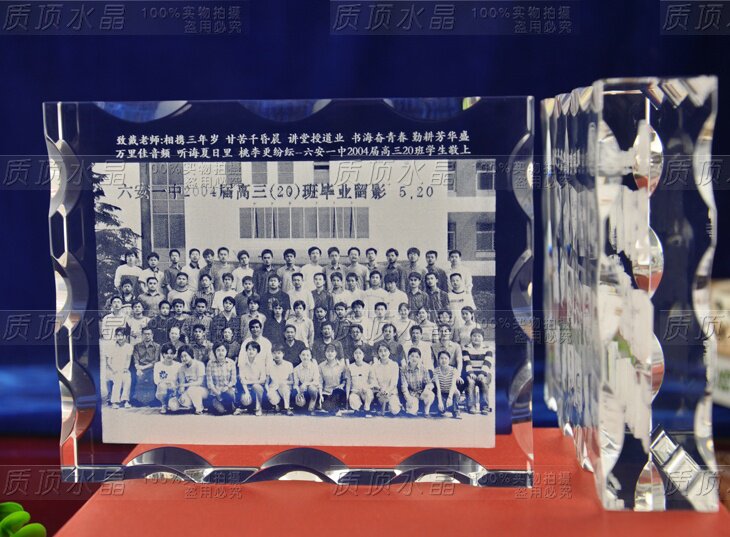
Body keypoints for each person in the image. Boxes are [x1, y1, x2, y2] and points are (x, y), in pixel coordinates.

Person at [461, 328, 494, 414]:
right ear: (471, 337)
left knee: (483, 382)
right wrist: (471, 373)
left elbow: (488, 362)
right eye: (474, 336)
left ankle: (485, 407)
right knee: (470, 382)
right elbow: (466, 362)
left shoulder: (488, 348)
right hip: (470, 373)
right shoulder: (466, 348)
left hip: (484, 373)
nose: (476, 338)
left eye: (479, 336)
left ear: (483, 338)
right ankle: (471, 406)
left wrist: (482, 374)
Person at [400, 348, 435, 417]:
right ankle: (412, 407)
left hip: (422, 392)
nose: (414, 358)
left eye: (417, 357)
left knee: (430, 395)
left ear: (419, 358)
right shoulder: (403, 369)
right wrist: (408, 398)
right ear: (408, 357)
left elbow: (429, 383)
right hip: (411, 393)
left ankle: (426, 411)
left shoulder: (423, 368)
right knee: (411, 413)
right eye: (412, 356)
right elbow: (404, 386)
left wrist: (426, 390)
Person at [174, 345, 208, 414]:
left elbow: (200, 382)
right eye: (181, 357)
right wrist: (181, 392)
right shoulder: (182, 368)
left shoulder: (199, 364)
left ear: (190, 354)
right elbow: (182, 384)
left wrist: (185, 385)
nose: (184, 358)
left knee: (192, 389)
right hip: (190, 391)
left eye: (185, 356)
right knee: (183, 401)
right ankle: (195, 405)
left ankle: (199, 409)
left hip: (203, 391)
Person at [206, 342, 238, 415]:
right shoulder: (210, 363)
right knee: (221, 411)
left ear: (226, 351)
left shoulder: (231, 363)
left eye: (223, 350)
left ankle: (232, 405)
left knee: (229, 393)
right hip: (215, 391)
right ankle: (218, 403)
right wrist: (216, 392)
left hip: (228, 389)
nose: (221, 353)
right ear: (215, 351)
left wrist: (227, 387)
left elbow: (233, 380)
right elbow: (209, 382)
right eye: (218, 350)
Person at [105, 327, 133, 408]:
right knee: (118, 379)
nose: (120, 338)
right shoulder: (111, 347)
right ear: (115, 336)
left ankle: (125, 400)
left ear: (126, 336)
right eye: (118, 335)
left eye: (122, 335)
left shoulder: (129, 347)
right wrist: (114, 370)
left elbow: (128, 360)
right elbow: (108, 362)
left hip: (123, 369)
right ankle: (115, 401)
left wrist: (126, 368)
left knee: (127, 378)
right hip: (112, 370)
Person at [370, 343, 401, 416]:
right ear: (378, 353)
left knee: (395, 410)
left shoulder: (394, 365)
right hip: (379, 393)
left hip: (391, 392)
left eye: (385, 350)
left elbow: (394, 382)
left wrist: (388, 391)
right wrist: (380, 390)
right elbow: (374, 381)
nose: (383, 353)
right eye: (380, 351)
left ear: (389, 352)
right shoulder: (374, 366)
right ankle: (381, 406)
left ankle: (391, 405)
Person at [236, 341, 266, 415]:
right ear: (246, 351)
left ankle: (258, 408)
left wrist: (249, 382)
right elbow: (242, 379)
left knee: (256, 386)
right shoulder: (242, 363)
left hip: (258, 387)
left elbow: (263, 380)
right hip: (246, 387)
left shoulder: (261, 363)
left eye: (253, 350)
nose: (251, 351)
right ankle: (243, 407)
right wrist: (247, 392)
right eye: (249, 349)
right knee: (245, 400)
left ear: (257, 352)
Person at [132, 326, 160, 406]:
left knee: (152, 379)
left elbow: (156, 361)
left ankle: (153, 400)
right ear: (142, 335)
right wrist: (138, 368)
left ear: (152, 335)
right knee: (139, 378)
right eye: (145, 334)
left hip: (152, 368)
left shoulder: (157, 346)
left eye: (149, 334)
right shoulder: (137, 346)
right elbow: (136, 359)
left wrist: (143, 368)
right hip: (139, 368)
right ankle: (139, 400)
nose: (147, 336)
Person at [319, 344, 347, 415]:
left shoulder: (341, 365)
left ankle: (334, 409)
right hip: (326, 392)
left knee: (336, 394)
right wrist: (320, 394)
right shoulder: (321, 366)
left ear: (336, 353)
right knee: (325, 404)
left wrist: (342, 385)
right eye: (328, 351)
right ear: (325, 353)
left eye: (332, 351)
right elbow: (320, 382)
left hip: (338, 391)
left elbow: (345, 379)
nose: (330, 353)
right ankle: (335, 409)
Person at [267, 345, 294, 415]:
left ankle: (288, 408)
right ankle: (277, 405)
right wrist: (268, 391)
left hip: (285, 386)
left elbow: (292, 381)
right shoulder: (269, 365)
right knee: (271, 395)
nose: (276, 355)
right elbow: (267, 382)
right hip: (273, 386)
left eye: (279, 353)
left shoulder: (288, 364)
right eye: (274, 353)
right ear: (272, 354)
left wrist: (284, 382)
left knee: (284, 387)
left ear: (283, 354)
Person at [346, 347, 374, 416]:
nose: (358, 355)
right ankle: (359, 408)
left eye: (360, 353)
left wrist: (366, 387)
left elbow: (372, 382)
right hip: (355, 392)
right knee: (353, 400)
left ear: (363, 355)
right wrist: (347, 397)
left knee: (369, 393)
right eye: (356, 353)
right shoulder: (350, 367)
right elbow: (348, 383)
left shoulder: (369, 367)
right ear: (353, 355)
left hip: (365, 392)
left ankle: (367, 409)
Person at [154, 343, 180, 413]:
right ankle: (164, 404)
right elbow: (156, 380)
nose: (169, 356)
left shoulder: (178, 365)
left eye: (171, 353)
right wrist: (168, 383)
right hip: (162, 389)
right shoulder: (158, 365)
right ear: (163, 354)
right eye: (166, 353)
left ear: (174, 354)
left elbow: (180, 380)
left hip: (174, 390)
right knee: (162, 385)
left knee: (174, 408)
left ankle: (172, 401)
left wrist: (174, 387)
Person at [293, 348, 321, 414]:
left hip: (313, 389)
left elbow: (316, 382)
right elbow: (295, 384)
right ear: (300, 356)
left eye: (308, 355)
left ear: (311, 357)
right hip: (302, 389)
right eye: (303, 355)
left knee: (312, 388)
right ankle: (302, 405)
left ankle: (312, 405)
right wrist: (299, 392)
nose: (305, 357)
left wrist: (305, 384)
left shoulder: (314, 367)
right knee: (297, 398)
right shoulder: (296, 369)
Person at [433, 350, 460, 418]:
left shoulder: (453, 370)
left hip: (452, 392)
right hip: (441, 393)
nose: (444, 360)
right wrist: (440, 402)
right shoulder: (436, 371)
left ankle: (456, 411)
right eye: (441, 358)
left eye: (446, 358)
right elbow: (438, 388)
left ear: (449, 360)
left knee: (456, 393)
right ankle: (444, 408)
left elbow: (453, 385)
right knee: (441, 410)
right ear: (438, 360)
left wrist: (450, 397)